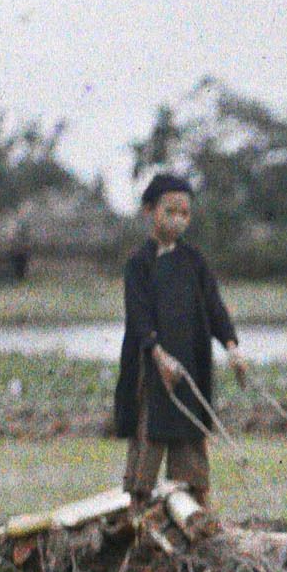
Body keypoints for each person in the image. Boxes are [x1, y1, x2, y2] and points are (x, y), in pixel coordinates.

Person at [114, 173, 247, 510]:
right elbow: (139, 317)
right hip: (152, 368)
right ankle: (138, 513)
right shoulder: (138, 264)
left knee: (191, 449)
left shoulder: (194, 261)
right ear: (149, 212)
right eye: (169, 212)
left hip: (190, 365)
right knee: (148, 443)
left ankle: (197, 517)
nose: (177, 220)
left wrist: (232, 347)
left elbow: (214, 307)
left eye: (184, 214)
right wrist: (159, 356)